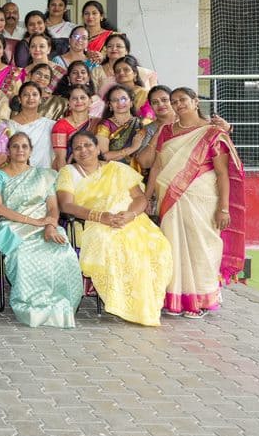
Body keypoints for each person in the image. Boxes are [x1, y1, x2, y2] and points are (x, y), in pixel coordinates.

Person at [146, 87, 246, 318]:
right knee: (173, 246)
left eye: (183, 100)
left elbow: (222, 173)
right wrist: (148, 195)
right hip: (170, 198)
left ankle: (201, 300)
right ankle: (176, 299)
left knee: (202, 246)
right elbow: (158, 167)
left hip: (202, 198)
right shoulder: (167, 131)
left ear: (195, 101)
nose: (178, 104)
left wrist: (223, 208)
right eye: (174, 101)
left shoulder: (212, 132)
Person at [56, 130, 172, 326]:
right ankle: (122, 301)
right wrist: (101, 216)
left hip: (129, 219)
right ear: (72, 153)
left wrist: (129, 215)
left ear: (98, 147)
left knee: (153, 246)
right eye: (77, 148)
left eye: (88, 145)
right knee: (110, 244)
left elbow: (139, 198)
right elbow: (67, 206)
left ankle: (143, 301)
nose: (83, 151)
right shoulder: (68, 172)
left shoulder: (117, 169)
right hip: (92, 222)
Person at [0, 132, 82, 328]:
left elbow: (53, 208)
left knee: (62, 252)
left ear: (30, 150)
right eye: (15, 146)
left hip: (45, 226)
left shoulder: (44, 175)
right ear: (8, 151)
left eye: (24, 146)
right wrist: (34, 222)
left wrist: (49, 226)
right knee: (24, 255)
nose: (20, 150)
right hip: (10, 227)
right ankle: (31, 307)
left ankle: (61, 306)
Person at [95, 85, 149, 171]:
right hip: (113, 173)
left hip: (139, 172)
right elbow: (103, 156)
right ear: (110, 105)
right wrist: (132, 148)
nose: (120, 103)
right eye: (115, 100)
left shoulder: (143, 124)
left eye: (124, 99)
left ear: (131, 102)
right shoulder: (105, 125)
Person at [7, 82, 55, 168]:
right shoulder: (8, 126)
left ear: (40, 99)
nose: (30, 98)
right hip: (16, 176)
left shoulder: (50, 125)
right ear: (19, 99)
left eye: (34, 94)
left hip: (43, 176)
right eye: (26, 95)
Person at [51, 85, 96, 169]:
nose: (79, 101)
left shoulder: (96, 123)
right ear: (69, 102)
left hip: (94, 170)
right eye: (74, 98)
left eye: (82, 97)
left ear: (90, 101)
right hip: (70, 170)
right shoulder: (61, 125)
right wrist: (66, 178)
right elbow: (60, 159)